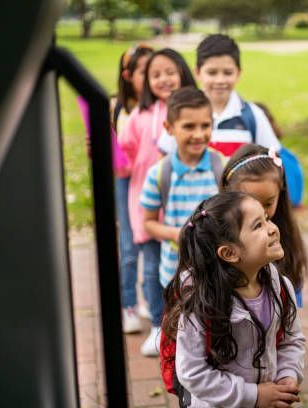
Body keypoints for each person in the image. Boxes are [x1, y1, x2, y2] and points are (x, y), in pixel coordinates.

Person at [162, 192, 306, 407]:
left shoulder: (281, 287)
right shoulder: (201, 304)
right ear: (229, 253)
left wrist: (287, 375)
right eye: (258, 226)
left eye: (266, 218)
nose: (273, 228)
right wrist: (253, 396)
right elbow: (193, 373)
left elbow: (291, 339)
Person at [118, 48, 196, 357]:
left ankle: (192, 325)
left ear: (182, 73)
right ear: (146, 82)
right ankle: (157, 327)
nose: (163, 79)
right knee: (152, 269)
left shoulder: (193, 110)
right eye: (155, 74)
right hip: (148, 206)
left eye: (169, 72)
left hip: (184, 204)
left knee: (189, 268)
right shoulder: (139, 117)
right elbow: (123, 164)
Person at [140, 87, 222, 289]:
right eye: (189, 126)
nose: (199, 134)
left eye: (205, 126)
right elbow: (148, 223)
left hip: (218, 272)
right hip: (175, 275)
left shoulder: (221, 166)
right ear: (169, 128)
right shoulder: (159, 174)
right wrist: (174, 233)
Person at [221, 144, 308, 307]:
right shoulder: (221, 245)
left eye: (268, 203)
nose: (260, 212)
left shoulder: (285, 239)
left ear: (279, 195)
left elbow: (294, 303)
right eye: (251, 203)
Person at [113, 44, 153, 333]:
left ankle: (149, 298)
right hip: (126, 180)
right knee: (129, 246)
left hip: (152, 178)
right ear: (128, 75)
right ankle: (128, 303)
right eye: (144, 72)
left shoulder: (160, 106)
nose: (150, 77)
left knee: (152, 242)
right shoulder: (117, 106)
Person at [194, 34, 282, 157]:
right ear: (197, 73)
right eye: (212, 73)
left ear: (238, 73)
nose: (220, 80)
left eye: (228, 72)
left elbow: (272, 159)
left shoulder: (254, 115)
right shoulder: (185, 113)